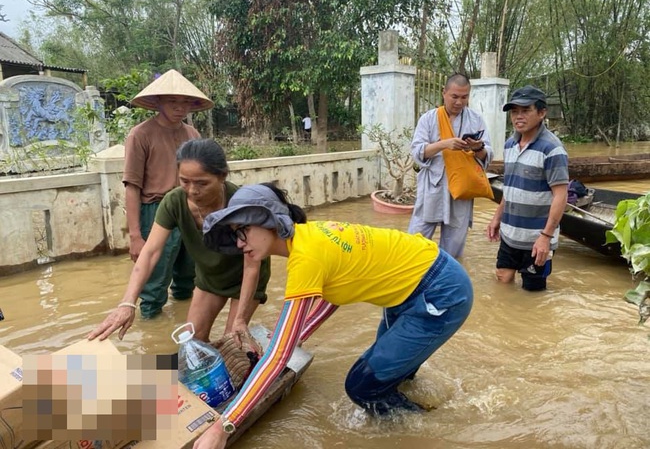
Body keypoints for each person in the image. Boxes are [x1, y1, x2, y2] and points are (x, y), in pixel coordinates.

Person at [194, 183, 474, 449]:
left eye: (242, 230)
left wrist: (223, 426)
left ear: (270, 221)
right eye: (234, 235)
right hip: (415, 285)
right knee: (390, 378)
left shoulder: (306, 257)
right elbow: (337, 291)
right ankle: (413, 407)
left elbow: (279, 355)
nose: (240, 244)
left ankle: (430, 428)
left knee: (363, 386)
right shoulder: (310, 237)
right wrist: (298, 336)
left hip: (438, 292)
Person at [89, 139, 271, 342]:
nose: (193, 190)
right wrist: (127, 303)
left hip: (246, 278)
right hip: (210, 277)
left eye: (202, 183)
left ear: (222, 176)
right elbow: (150, 253)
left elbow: (252, 267)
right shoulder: (174, 202)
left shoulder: (240, 204)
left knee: (232, 341)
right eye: (185, 181)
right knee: (193, 342)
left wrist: (239, 320)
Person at [122, 69, 210, 319]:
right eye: (172, 101)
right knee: (154, 280)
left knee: (189, 275)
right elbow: (132, 185)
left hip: (189, 208)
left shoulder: (192, 134)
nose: (180, 108)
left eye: (185, 102)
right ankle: (152, 332)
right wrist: (136, 236)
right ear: (158, 101)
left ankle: (184, 323)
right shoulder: (140, 134)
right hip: (157, 209)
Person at [486, 85, 569, 291]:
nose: (518, 117)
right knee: (502, 279)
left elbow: (561, 195)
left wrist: (546, 237)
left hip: (537, 239)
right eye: (515, 112)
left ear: (541, 113)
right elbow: (511, 186)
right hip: (510, 232)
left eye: (525, 110)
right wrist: (498, 217)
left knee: (533, 293)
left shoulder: (552, 149)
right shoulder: (509, 145)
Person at [408, 73, 493, 259]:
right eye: (454, 96)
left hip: (462, 189)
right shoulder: (428, 119)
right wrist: (444, 144)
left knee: (453, 247)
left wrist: (478, 147)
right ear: (444, 93)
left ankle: (445, 281)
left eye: (464, 97)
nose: (459, 102)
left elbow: (487, 154)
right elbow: (417, 151)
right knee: (415, 242)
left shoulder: (476, 119)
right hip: (433, 187)